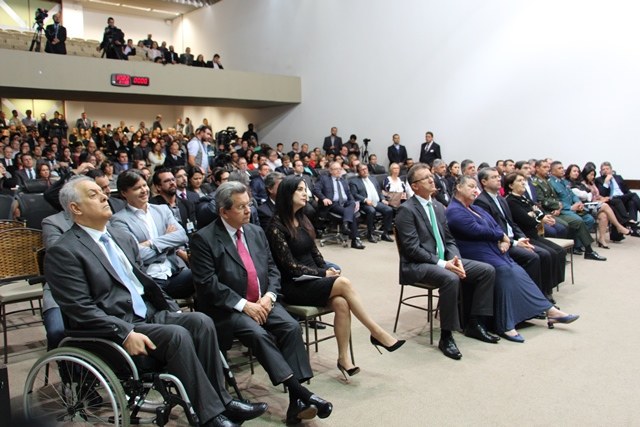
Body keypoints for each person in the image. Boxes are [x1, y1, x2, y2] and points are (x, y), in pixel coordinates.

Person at [45, 176, 268, 427]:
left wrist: (171, 309)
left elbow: (144, 284)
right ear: (75, 208)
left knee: (200, 322)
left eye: (103, 192)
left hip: (147, 314)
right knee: (176, 335)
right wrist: (126, 332)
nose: (106, 196)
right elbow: (79, 309)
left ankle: (223, 400)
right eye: (94, 195)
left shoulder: (120, 236)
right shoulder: (64, 251)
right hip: (113, 328)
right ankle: (209, 415)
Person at [190, 181, 333, 425]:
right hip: (227, 309)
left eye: (250, 205)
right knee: (258, 334)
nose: (249, 210)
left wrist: (270, 296)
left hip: (264, 301)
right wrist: (244, 305)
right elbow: (208, 285)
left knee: (290, 327)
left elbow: (273, 270)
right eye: (241, 207)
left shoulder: (255, 232)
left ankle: (296, 404)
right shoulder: (203, 239)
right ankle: (303, 394)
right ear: (223, 211)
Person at [267, 175, 405, 378]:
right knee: (344, 283)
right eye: (300, 190)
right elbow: (290, 267)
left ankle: (344, 359)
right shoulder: (275, 226)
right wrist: (324, 273)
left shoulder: (303, 219)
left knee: (341, 303)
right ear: (288, 194)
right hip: (294, 285)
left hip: (313, 279)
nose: (306, 193)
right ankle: (376, 332)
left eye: (306, 189)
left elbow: (314, 253)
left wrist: (325, 269)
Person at [446, 175, 580, 342]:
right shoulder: (454, 210)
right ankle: (505, 324)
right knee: (505, 271)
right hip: (473, 251)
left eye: (476, 187)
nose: (476, 190)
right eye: (471, 186)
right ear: (458, 188)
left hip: (490, 248)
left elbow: (494, 225)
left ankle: (549, 311)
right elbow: (476, 230)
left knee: (516, 269)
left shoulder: (475, 208)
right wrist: (502, 237)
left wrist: (503, 237)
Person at [395, 163, 497, 360]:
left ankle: (475, 323)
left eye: (431, 176)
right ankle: (446, 336)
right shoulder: (406, 210)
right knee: (450, 278)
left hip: (444, 260)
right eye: (425, 178)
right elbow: (412, 249)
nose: (432, 179)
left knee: (487, 270)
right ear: (415, 186)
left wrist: (455, 259)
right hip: (417, 265)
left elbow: (449, 240)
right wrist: (444, 264)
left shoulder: (438, 206)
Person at [474, 168, 560, 301]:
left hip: (515, 238)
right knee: (535, 256)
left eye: (498, 177)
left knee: (545, 253)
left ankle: (542, 294)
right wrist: (514, 242)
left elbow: (512, 223)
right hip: (502, 243)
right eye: (494, 177)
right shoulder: (482, 202)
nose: (498, 179)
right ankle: (533, 298)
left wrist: (521, 237)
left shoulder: (501, 199)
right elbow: (493, 229)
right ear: (484, 182)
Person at [111, 170, 194, 299]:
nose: (144, 190)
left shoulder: (162, 210)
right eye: (137, 188)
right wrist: (167, 242)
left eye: (144, 185)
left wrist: (151, 243)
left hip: (173, 272)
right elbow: (135, 255)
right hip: (149, 280)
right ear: (124, 193)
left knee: (206, 276)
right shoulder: (119, 220)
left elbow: (182, 236)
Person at [565, 164, 632, 247]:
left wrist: (600, 197)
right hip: (582, 206)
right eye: (574, 171)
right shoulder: (568, 183)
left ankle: (602, 239)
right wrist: (595, 197)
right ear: (568, 173)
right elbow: (585, 196)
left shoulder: (582, 183)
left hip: (589, 204)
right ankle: (619, 226)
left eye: (578, 171)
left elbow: (592, 194)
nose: (577, 173)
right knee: (605, 206)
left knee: (604, 215)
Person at [313, 161, 365, 249]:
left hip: (345, 203)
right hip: (332, 204)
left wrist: (354, 202)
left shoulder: (343, 180)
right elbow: (315, 189)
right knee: (351, 213)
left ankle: (345, 223)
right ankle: (355, 240)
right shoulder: (324, 178)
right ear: (330, 171)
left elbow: (349, 194)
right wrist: (323, 198)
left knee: (352, 203)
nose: (338, 171)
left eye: (340, 169)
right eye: (336, 169)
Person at [349, 163, 394, 243]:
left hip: (375, 202)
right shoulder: (354, 181)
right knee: (371, 211)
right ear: (358, 171)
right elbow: (354, 194)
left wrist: (383, 199)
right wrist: (365, 200)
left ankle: (385, 233)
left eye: (365, 169)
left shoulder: (373, 178)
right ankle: (370, 234)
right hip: (364, 204)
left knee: (389, 210)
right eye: (362, 170)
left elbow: (379, 191)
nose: (364, 171)